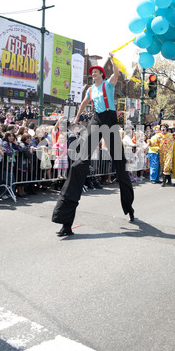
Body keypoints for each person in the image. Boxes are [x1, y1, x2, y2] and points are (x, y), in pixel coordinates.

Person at [52, 53, 134, 236]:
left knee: (120, 166)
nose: (93, 73)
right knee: (79, 163)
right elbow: (83, 102)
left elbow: (117, 74)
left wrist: (113, 59)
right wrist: (77, 116)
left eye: (96, 71)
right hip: (97, 121)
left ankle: (129, 207)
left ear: (102, 75)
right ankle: (66, 223)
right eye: (93, 72)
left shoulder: (108, 84)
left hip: (111, 122)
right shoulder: (90, 89)